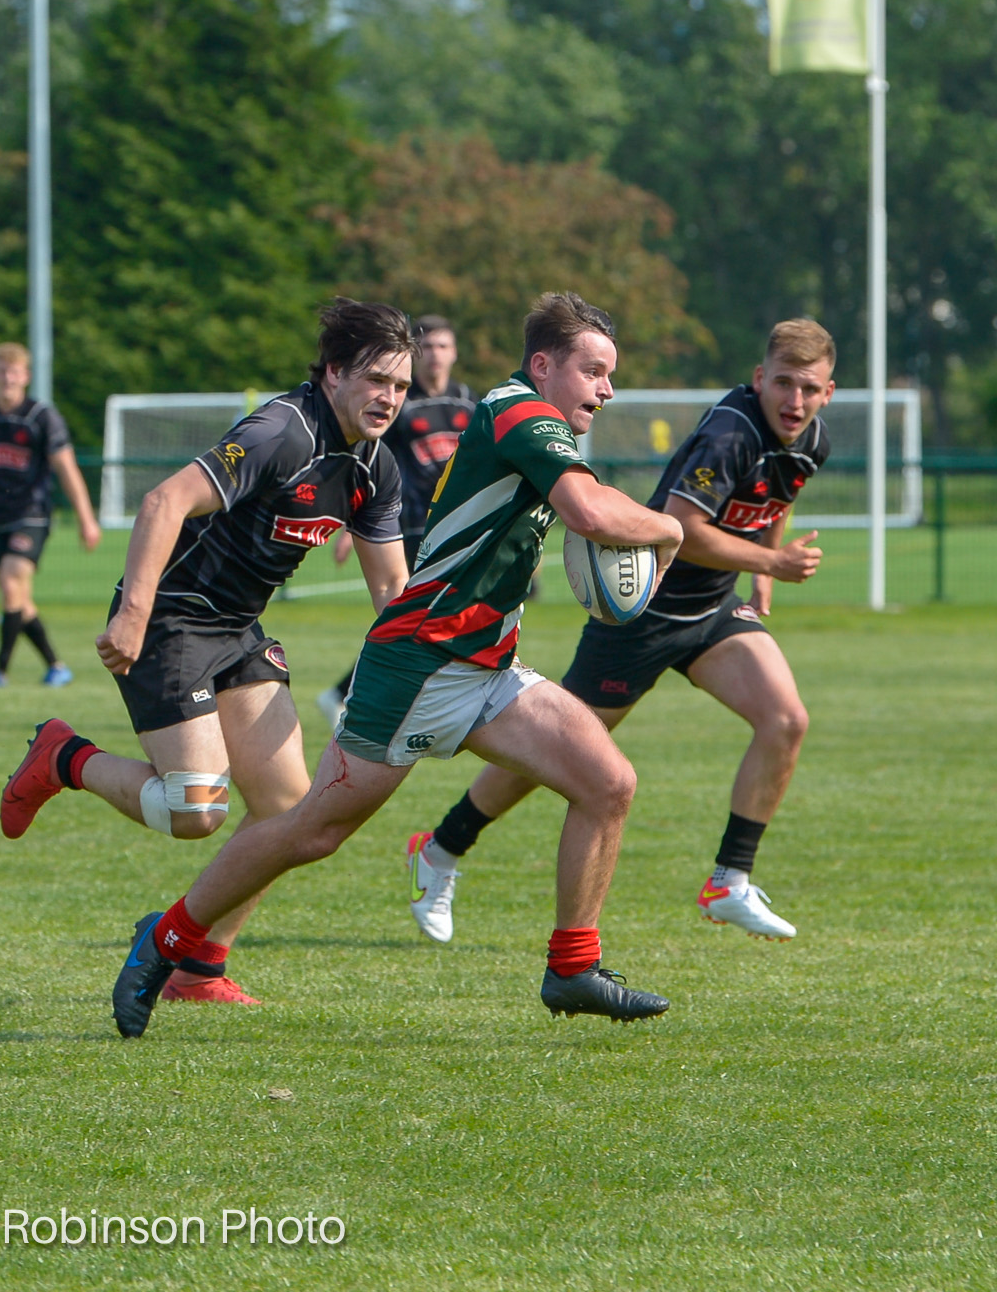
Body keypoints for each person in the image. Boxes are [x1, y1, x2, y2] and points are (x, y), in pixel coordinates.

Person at [108, 292, 688, 1040]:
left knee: (609, 782)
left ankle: (572, 967)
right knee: (311, 829)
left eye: (610, 376)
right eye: (594, 371)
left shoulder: (518, 431)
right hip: (422, 668)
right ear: (544, 365)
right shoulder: (519, 413)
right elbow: (591, 514)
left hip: (484, 664)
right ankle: (166, 942)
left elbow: (400, 577)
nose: (607, 390)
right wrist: (669, 528)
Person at [0, 299, 414, 1005]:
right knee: (195, 811)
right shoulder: (282, 430)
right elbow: (163, 501)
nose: (390, 399)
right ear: (336, 372)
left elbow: (394, 594)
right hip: (168, 619)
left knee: (287, 807)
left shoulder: (375, 467)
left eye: (401, 387)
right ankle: (65, 756)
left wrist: (436, 670)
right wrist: (133, 609)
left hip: (238, 629)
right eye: (377, 379)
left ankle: (199, 965)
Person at [404, 318, 835, 943]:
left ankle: (729, 881)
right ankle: (440, 849)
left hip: (712, 610)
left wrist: (765, 562)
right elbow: (681, 524)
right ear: (760, 379)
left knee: (786, 720)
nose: (796, 401)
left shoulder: (809, 438)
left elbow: (779, 491)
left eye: (810, 389)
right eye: (785, 385)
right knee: (550, 756)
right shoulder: (729, 434)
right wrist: (772, 562)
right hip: (642, 616)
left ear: (829, 393)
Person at [317, 315, 474, 729]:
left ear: (454, 353)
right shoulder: (394, 402)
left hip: (452, 524)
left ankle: (359, 693)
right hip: (405, 525)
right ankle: (357, 694)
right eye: (429, 348)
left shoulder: (466, 400)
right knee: (410, 611)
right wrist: (354, 527)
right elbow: (364, 464)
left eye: (444, 346)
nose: (436, 355)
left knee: (437, 612)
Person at [0, 341, 99, 688]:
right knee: (18, 599)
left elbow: (67, 468)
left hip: (33, 514)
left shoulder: (41, 417)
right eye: (1, 370)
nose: (7, 378)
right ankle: (56, 666)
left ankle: (0, 672)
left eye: (15, 371)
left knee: (11, 583)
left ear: (26, 376)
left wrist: (86, 519)